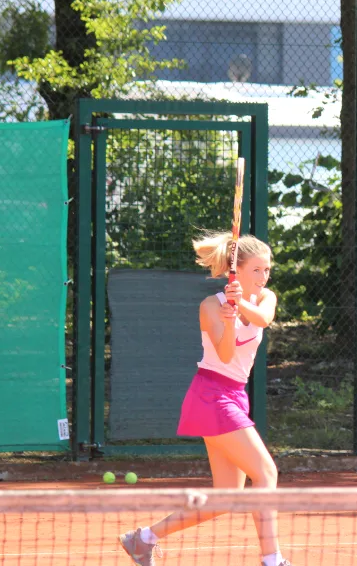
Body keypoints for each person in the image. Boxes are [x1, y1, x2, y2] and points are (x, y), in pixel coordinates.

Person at [119, 232, 290, 566]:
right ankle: (273, 560)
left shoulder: (265, 297)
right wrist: (227, 319)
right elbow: (225, 356)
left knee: (226, 497)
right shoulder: (211, 305)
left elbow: (265, 319)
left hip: (235, 396)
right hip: (212, 395)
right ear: (235, 271)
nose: (264, 276)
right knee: (266, 472)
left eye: (267, 270)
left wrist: (239, 305)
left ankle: (142, 539)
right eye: (257, 270)